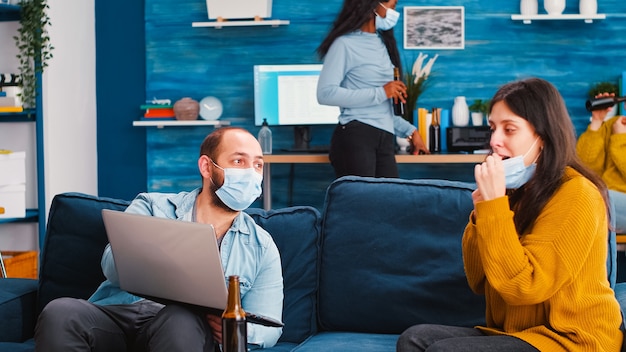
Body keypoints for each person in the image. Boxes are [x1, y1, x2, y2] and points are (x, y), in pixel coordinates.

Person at [397, 78, 624, 352]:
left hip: (570, 340)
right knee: (414, 339)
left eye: (510, 129)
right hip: (519, 333)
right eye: (493, 128)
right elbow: (479, 281)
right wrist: (482, 212)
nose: (494, 141)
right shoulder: (517, 190)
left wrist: (493, 208)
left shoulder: (577, 194)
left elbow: (525, 287)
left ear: (543, 135)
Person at [34, 127, 283, 351]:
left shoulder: (262, 246)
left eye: (258, 165)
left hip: (185, 328)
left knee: (181, 319)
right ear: (207, 167)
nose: (251, 173)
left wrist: (234, 328)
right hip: (119, 315)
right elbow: (110, 265)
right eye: (239, 161)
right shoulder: (152, 205)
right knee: (60, 312)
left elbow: (271, 328)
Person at [316, 0, 428, 179]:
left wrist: (410, 131)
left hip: (384, 138)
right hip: (356, 136)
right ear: (371, 5)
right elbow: (325, 93)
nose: (393, 12)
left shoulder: (382, 44)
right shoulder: (344, 44)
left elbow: (380, 111)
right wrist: (382, 92)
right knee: (362, 204)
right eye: (392, 6)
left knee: (389, 200)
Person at [576, 92, 626, 234]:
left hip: (605, 200)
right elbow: (584, 167)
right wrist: (597, 122)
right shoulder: (614, 124)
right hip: (606, 200)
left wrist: (620, 139)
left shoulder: (618, 131)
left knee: (588, 200)